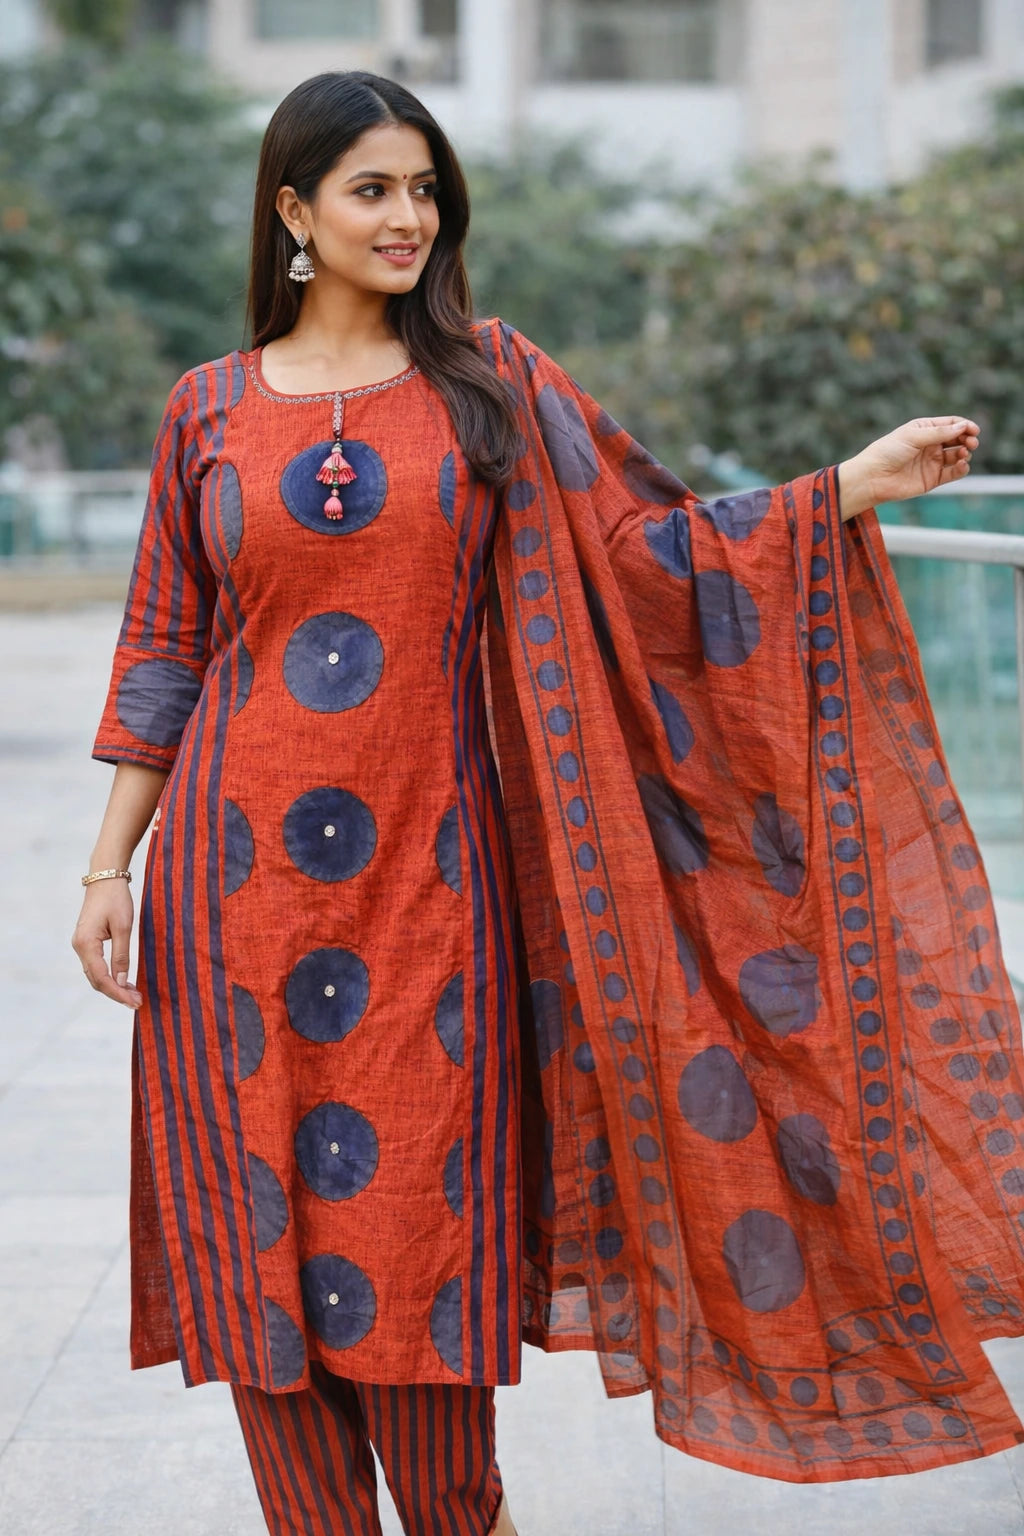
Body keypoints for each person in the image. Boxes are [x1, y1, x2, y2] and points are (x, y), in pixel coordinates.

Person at [71, 68, 1021, 1536]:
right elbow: (165, 651)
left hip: (433, 909)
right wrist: (107, 868)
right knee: (265, 1295)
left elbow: (646, 557)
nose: (409, 217)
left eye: (425, 189)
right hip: (227, 902)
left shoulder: (486, 382)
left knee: (424, 1313)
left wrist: (841, 488)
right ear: (294, 212)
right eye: (373, 188)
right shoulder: (205, 411)